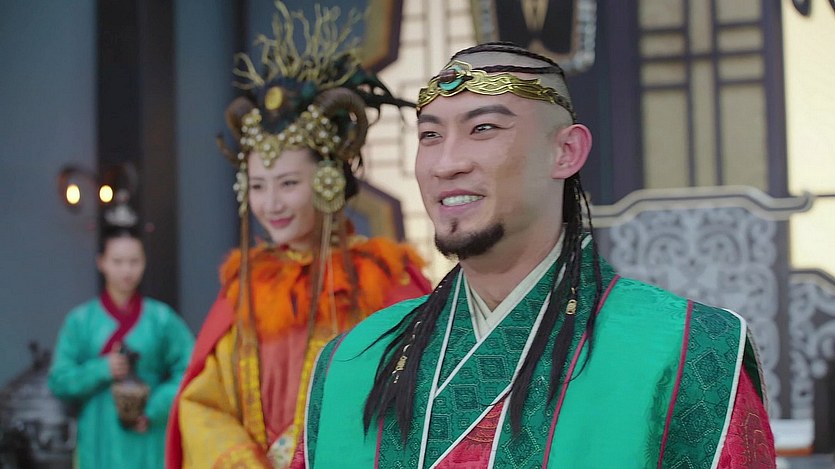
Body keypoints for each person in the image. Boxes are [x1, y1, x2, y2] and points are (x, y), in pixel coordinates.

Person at [292, 42, 777, 468]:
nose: (446, 163)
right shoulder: (351, 362)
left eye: (482, 128)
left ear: (566, 151)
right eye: (430, 136)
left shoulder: (686, 349)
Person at [164, 3, 432, 468]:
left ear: (328, 179)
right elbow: (202, 403)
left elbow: (418, 399)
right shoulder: (247, 288)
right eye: (258, 186)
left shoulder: (384, 283)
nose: (271, 204)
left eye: (288, 183)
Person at [48, 226, 195, 469]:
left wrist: (155, 408)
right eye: (117, 261)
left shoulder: (162, 319)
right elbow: (59, 380)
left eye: (134, 261)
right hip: (97, 439)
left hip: (148, 439)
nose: (126, 270)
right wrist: (102, 369)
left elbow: (191, 369)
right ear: (101, 262)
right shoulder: (80, 321)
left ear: (144, 263)